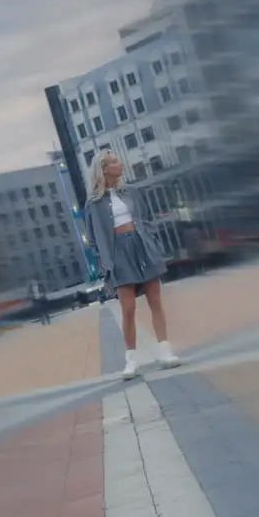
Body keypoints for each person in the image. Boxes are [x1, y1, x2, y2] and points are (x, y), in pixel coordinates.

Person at [83, 150, 180, 380]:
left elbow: (145, 220)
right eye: (114, 162)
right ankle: (131, 360)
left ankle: (165, 351)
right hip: (118, 253)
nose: (120, 164)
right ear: (104, 169)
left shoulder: (132, 192)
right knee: (128, 309)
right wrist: (106, 260)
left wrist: (152, 241)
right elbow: (94, 238)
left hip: (142, 246)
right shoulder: (93, 204)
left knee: (155, 301)